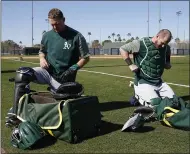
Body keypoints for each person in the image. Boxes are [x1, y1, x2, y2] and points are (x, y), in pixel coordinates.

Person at [5, 8, 90, 128]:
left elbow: (85, 57)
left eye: (57, 24)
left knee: (61, 108)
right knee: (22, 74)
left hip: (63, 79)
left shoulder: (76, 36)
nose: (55, 27)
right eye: (52, 25)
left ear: (64, 20)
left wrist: (74, 68)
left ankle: (46, 99)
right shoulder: (47, 35)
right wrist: (42, 59)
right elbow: (42, 51)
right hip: (47, 72)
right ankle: (16, 113)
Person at [120, 29, 175, 107]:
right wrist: (130, 64)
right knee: (156, 105)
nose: (163, 45)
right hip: (143, 81)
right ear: (157, 36)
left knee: (174, 102)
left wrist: (168, 62)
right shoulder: (140, 43)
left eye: (166, 44)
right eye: (162, 43)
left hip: (159, 82)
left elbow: (167, 52)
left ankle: (148, 94)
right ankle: (137, 96)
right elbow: (123, 49)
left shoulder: (166, 47)